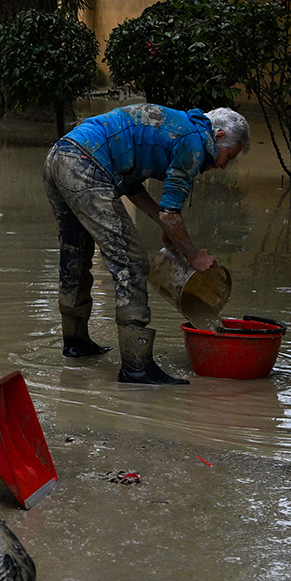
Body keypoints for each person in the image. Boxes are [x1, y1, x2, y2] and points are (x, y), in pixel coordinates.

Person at [44, 103, 250, 384]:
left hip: (62, 155)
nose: (224, 164)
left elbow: (132, 186)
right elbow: (171, 212)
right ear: (219, 136)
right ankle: (136, 366)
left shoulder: (181, 128)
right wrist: (193, 256)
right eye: (229, 156)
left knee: (75, 253)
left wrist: (165, 225)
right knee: (130, 259)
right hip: (85, 164)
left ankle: (76, 342)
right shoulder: (194, 144)